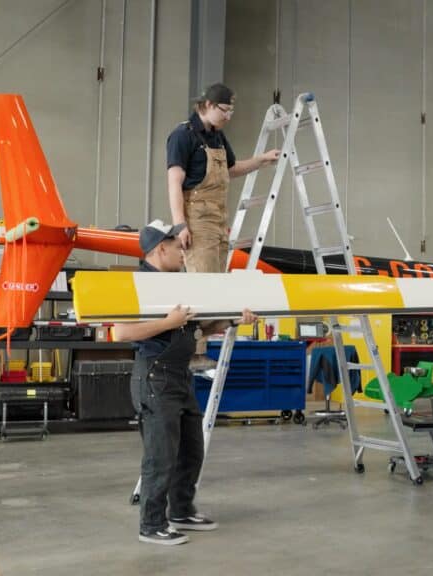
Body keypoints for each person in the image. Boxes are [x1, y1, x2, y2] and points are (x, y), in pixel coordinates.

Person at [113, 220, 257, 546]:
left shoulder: (176, 283)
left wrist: (232, 320)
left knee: (192, 450)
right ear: (160, 248)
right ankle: (151, 524)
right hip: (154, 377)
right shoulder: (137, 284)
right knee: (160, 456)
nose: (184, 251)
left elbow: (194, 332)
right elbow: (121, 333)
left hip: (179, 375)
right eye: (178, 247)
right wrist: (168, 321)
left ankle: (181, 510)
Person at [166, 83, 279, 369]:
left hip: (219, 219)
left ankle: (201, 344)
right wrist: (180, 224)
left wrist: (261, 161)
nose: (229, 116)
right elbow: (174, 182)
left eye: (231, 111)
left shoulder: (217, 137)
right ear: (207, 105)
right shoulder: (182, 136)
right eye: (224, 110)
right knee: (201, 285)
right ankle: (193, 352)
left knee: (216, 285)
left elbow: (231, 168)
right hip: (197, 218)